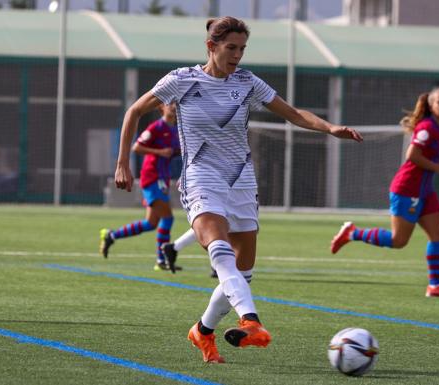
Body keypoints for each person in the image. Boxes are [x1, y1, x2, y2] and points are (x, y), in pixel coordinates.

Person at [113, 16, 362, 364]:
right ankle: (252, 322)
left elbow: (292, 114)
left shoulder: (247, 82)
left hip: (242, 180)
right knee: (219, 249)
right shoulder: (182, 80)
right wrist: (123, 162)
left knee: (241, 274)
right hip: (201, 177)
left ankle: (203, 330)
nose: (237, 55)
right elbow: (134, 111)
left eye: (242, 48)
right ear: (211, 46)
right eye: (231, 47)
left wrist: (330, 127)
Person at [331, 87, 439, 298]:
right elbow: (412, 155)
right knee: (398, 240)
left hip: (425, 192)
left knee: (438, 235)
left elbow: (435, 159)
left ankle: (434, 286)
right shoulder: (427, 127)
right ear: (431, 105)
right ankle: (352, 232)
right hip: (408, 188)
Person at [100, 102, 182, 272]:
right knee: (168, 218)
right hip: (152, 176)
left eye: (176, 103)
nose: (173, 106)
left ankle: (111, 235)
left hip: (163, 178)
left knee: (151, 223)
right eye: (170, 103)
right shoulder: (156, 127)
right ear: (161, 108)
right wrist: (160, 152)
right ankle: (161, 260)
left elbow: (174, 151)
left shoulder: (175, 130)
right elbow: (136, 147)